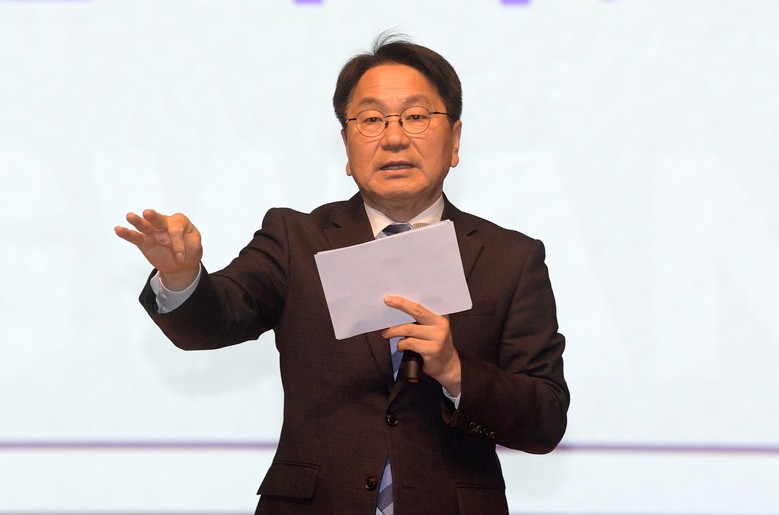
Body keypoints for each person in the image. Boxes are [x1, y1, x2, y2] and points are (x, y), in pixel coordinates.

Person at [115, 34, 569, 515]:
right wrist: (181, 277)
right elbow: (213, 321)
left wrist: (456, 372)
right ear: (347, 149)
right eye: (371, 120)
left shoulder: (510, 258)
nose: (394, 138)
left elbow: (545, 419)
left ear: (455, 140)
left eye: (416, 117)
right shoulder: (296, 240)